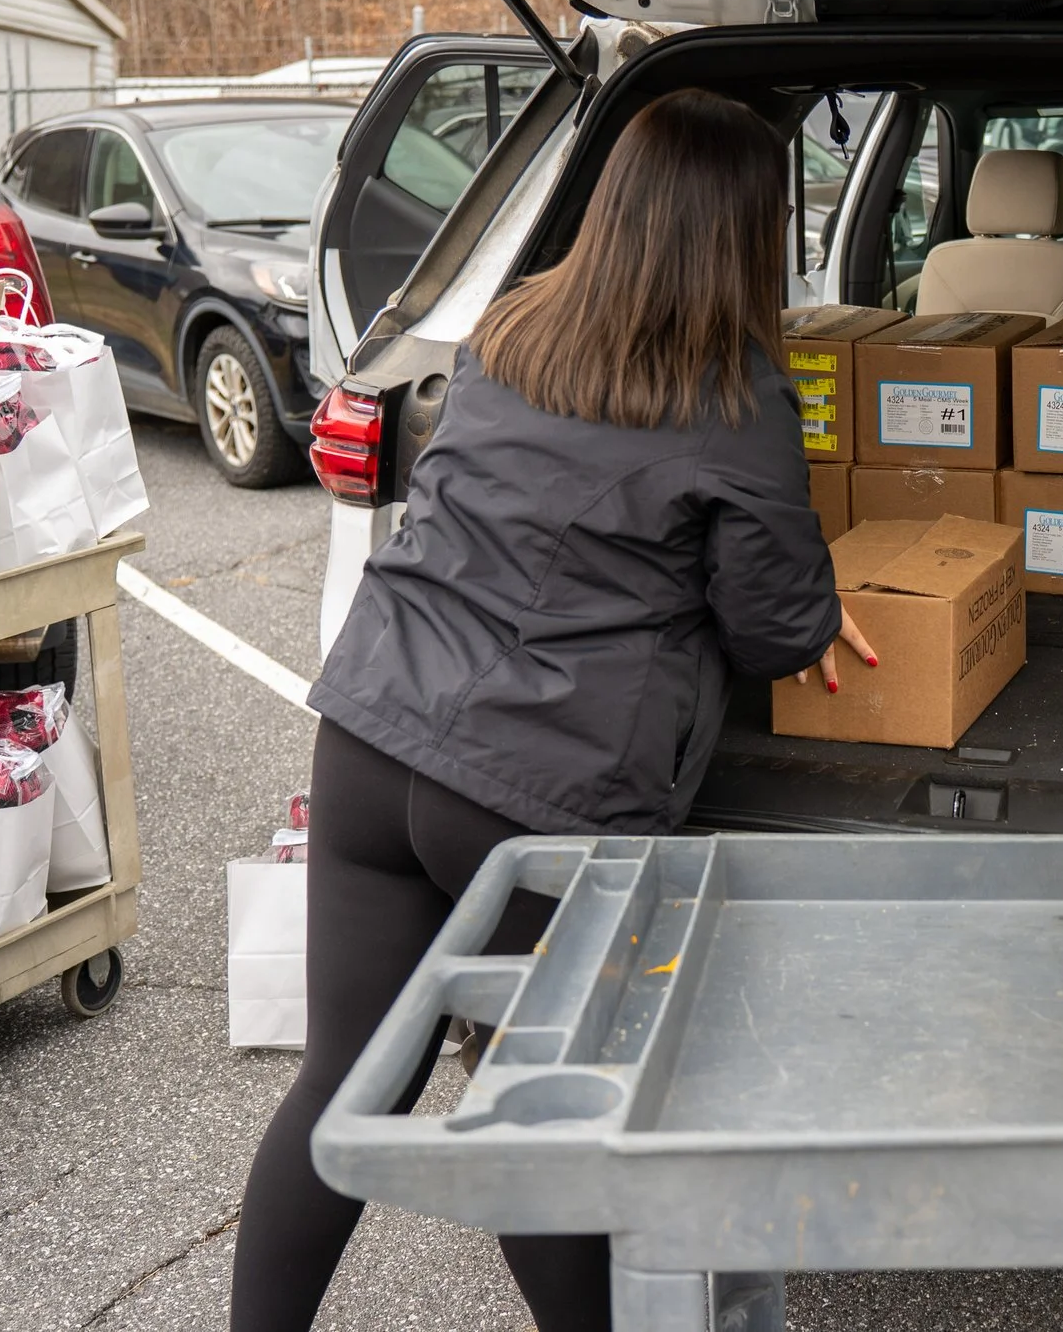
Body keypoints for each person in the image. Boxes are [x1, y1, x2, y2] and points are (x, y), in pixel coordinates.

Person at [230, 88, 873, 1332]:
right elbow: (773, 629)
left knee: (345, 1081)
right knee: (536, 1108)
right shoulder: (733, 395)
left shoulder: (512, 324)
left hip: (372, 736)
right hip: (536, 792)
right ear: (743, 232)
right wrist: (814, 581)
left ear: (618, 198)